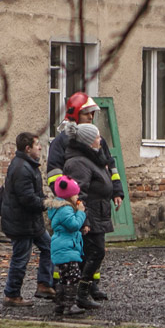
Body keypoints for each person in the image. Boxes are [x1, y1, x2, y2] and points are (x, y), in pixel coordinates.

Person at [46, 92, 121, 304]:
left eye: (92, 115)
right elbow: (54, 173)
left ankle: (89, 286)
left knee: (93, 248)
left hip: (96, 205)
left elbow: (109, 166)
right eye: (87, 114)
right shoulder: (62, 142)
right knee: (74, 247)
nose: (91, 119)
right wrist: (67, 197)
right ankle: (64, 289)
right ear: (75, 114)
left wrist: (116, 189)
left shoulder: (96, 139)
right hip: (74, 204)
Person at [0, 132, 57, 307]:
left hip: (31, 222)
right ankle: (12, 295)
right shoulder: (22, 168)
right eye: (36, 144)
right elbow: (27, 199)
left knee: (50, 247)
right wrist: (48, 203)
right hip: (21, 223)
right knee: (20, 258)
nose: (40, 147)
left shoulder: (27, 165)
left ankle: (44, 285)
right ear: (27, 148)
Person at [63, 123, 114, 309]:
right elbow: (78, 194)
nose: (100, 140)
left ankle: (84, 291)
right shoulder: (78, 163)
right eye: (97, 137)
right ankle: (80, 294)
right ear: (88, 141)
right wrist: (84, 219)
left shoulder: (93, 159)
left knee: (92, 254)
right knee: (95, 252)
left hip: (98, 212)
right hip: (90, 215)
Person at [47, 176, 87, 317]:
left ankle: (60, 305)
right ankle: (70, 305)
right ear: (69, 195)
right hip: (66, 249)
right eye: (75, 193)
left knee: (65, 277)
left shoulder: (61, 208)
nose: (77, 196)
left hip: (63, 247)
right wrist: (81, 212)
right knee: (73, 276)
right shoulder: (65, 209)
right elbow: (73, 225)